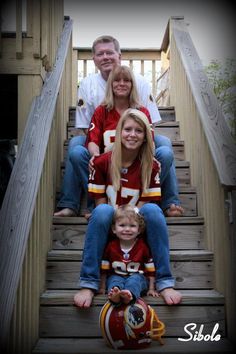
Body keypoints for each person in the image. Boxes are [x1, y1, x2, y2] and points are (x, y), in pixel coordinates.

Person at [54, 35, 183, 218]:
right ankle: (83, 203)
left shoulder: (140, 85)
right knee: (76, 144)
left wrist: (137, 154)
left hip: (136, 148)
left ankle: (168, 202)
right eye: (100, 54)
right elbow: (86, 129)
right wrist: (99, 159)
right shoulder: (90, 88)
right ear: (94, 59)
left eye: (110, 52)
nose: (105, 57)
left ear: (119, 55)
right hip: (103, 148)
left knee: (165, 146)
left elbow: (149, 127)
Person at [73, 108, 182, 308]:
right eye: (128, 129)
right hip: (112, 223)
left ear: (146, 136)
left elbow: (147, 202)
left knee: (154, 211)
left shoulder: (153, 165)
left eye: (139, 131)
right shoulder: (101, 162)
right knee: (102, 211)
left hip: (135, 224)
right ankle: (88, 282)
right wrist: (117, 222)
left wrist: (130, 221)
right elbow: (100, 202)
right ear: (119, 131)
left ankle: (164, 282)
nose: (132, 135)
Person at [68, 65, 173, 219]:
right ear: (110, 85)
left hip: (136, 165)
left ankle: (149, 202)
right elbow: (92, 140)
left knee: (165, 154)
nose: (121, 83)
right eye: (116, 80)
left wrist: (149, 160)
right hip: (107, 166)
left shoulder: (142, 111)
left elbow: (149, 141)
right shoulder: (101, 111)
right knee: (77, 153)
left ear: (132, 85)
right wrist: (95, 157)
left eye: (127, 80)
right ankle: (98, 206)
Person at [99, 204, 159, 305]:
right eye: (122, 225)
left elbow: (151, 270)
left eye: (132, 226)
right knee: (114, 280)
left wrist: (151, 289)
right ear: (114, 229)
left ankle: (129, 295)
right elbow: (104, 269)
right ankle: (115, 295)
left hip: (138, 277)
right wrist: (102, 287)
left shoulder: (142, 247)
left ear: (139, 230)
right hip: (116, 275)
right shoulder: (111, 246)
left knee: (135, 280)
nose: (127, 229)